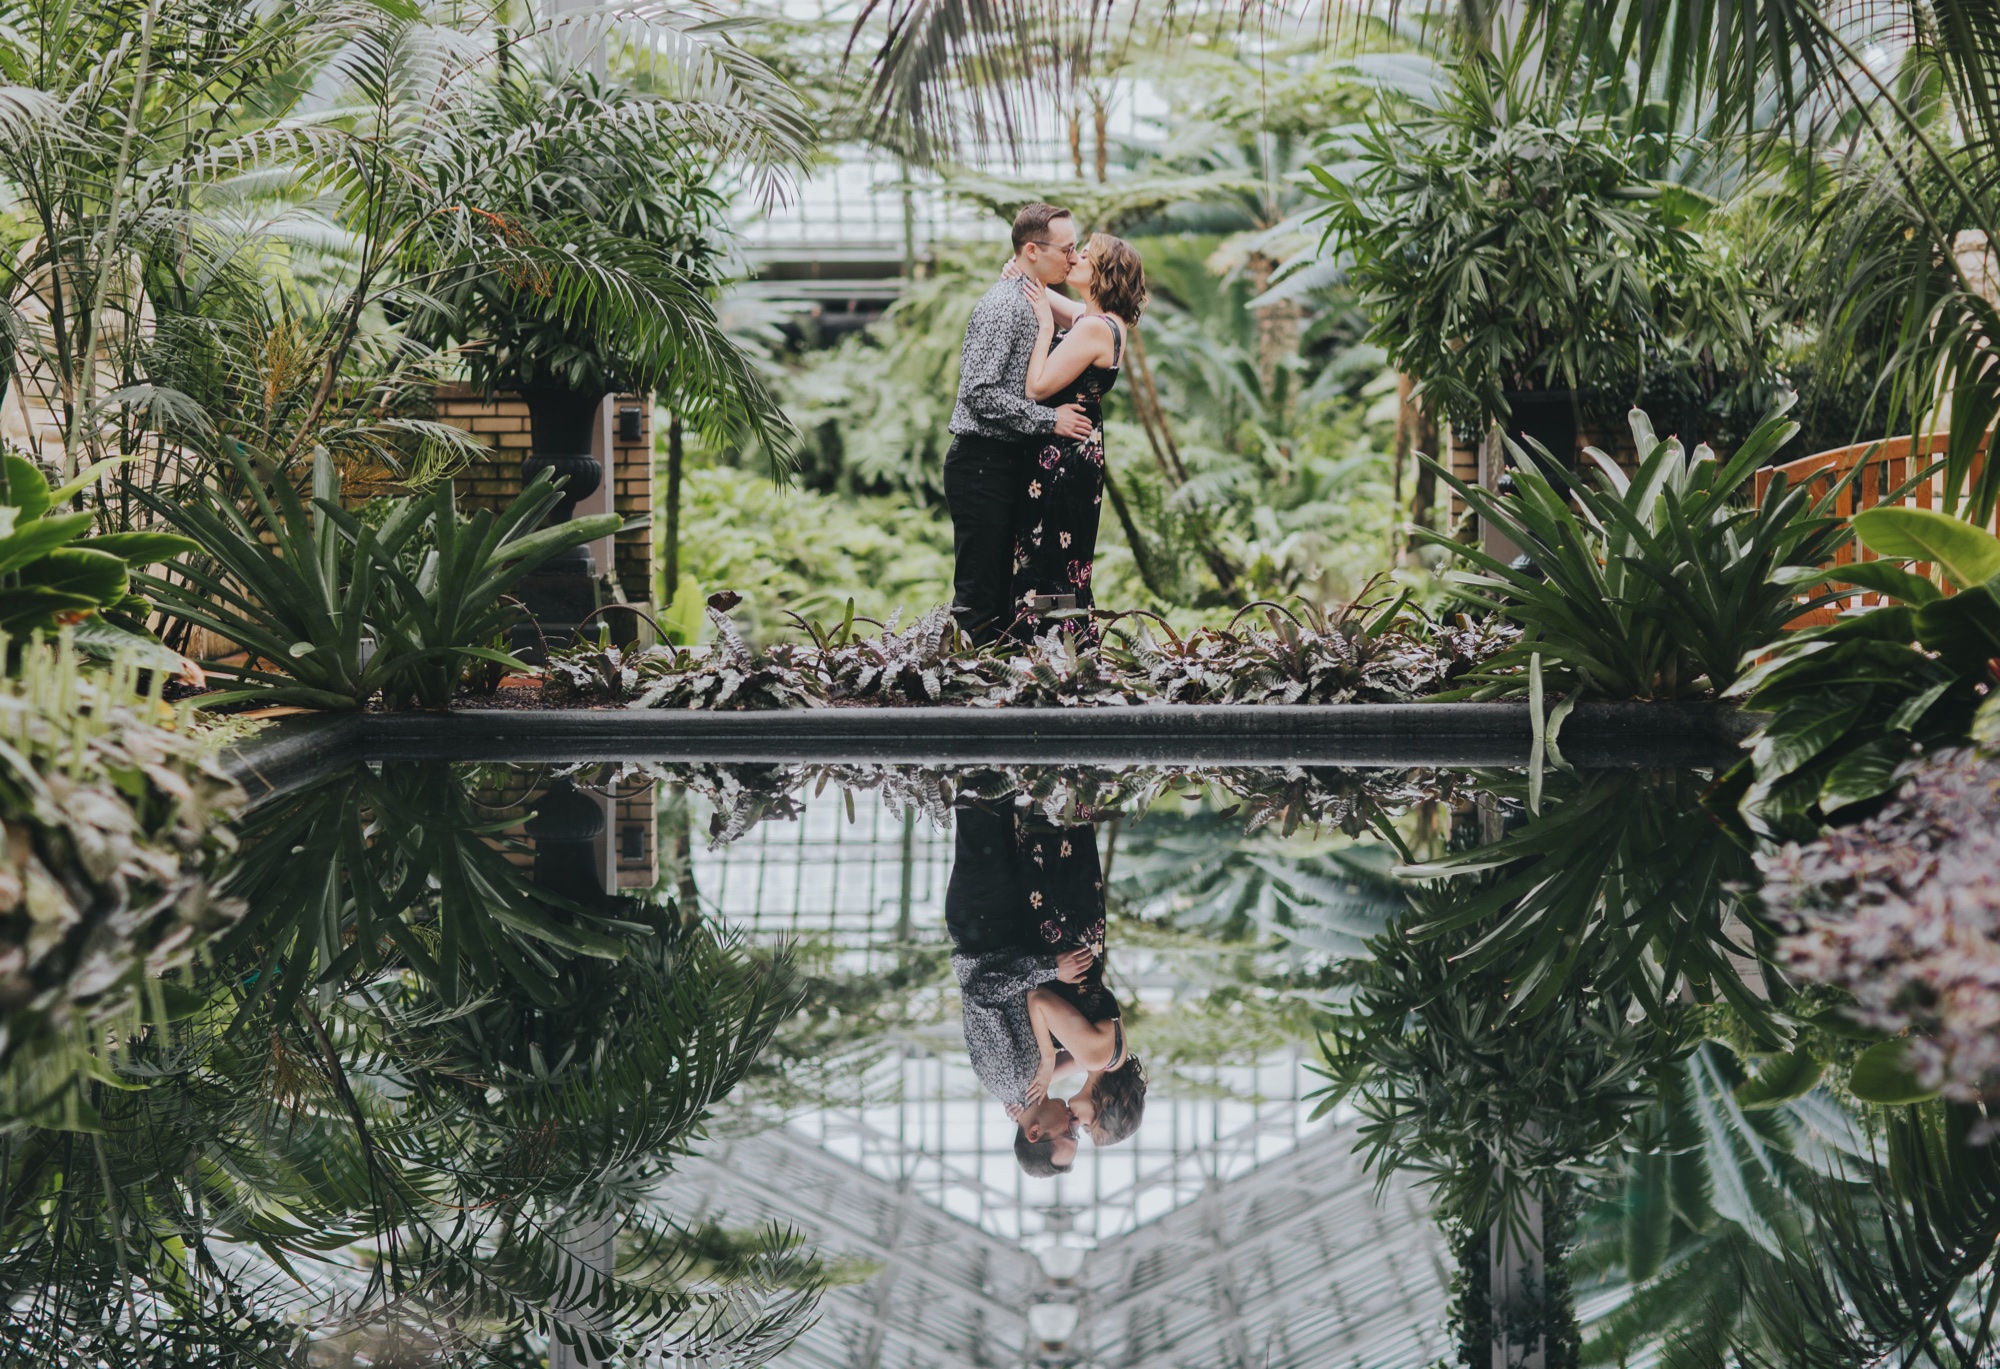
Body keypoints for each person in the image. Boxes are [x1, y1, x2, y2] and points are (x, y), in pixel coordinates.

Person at [945, 204, 1095, 645]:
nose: (1072, 257)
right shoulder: (1004, 307)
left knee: (1007, 592)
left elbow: (1092, 322)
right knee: (980, 593)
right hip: (981, 465)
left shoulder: (1030, 297)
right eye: (1067, 249)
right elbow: (978, 391)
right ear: (1032, 250)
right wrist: (1050, 420)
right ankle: (969, 695)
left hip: (1007, 464)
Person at [944, 801, 1093, 1176]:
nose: (1076, 1126)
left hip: (984, 920)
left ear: (1035, 1132)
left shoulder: (1009, 1079)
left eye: (1069, 1136)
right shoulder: (1026, 1089)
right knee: (1001, 800)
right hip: (1000, 925)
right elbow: (1086, 1057)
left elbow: (980, 992)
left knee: (982, 799)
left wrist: (1051, 968)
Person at [1011, 233, 1147, 639]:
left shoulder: (1091, 330)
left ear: (1103, 273)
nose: (1073, 258)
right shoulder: (1104, 321)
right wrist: (1025, 273)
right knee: (1065, 556)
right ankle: (1067, 651)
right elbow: (1065, 305)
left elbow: (1036, 387)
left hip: (1063, 457)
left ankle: (1050, 650)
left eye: (1084, 255)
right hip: (1079, 450)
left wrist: (1044, 326)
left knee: (1049, 554)